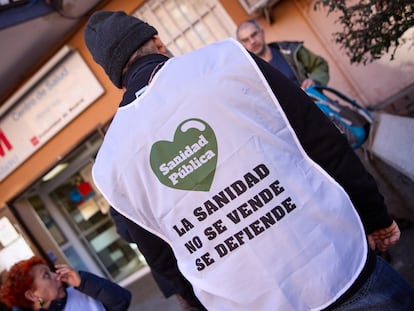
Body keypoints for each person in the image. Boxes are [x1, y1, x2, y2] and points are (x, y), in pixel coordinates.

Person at [84, 10, 414, 310]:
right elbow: (320, 139)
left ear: (116, 77)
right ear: (157, 40)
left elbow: (161, 256)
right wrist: (374, 216)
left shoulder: (110, 162)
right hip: (335, 261)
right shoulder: (227, 59)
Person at [110, 207, 206, 311]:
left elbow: (126, 233)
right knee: (191, 301)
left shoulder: (119, 204)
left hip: (178, 258)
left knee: (193, 301)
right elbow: (126, 233)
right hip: (174, 259)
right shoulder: (118, 205)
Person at [0, 256, 131, 311]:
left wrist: (83, 281)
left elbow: (122, 300)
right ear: (33, 296)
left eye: (50, 271)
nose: (55, 275)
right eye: (46, 275)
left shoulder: (82, 290)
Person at [236, 19, 329, 89]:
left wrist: (314, 80)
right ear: (242, 45)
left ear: (262, 32)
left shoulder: (289, 50)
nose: (252, 41)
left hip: (316, 108)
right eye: (246, 40)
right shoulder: (249, 74)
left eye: (254, 34)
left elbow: (320, 65)